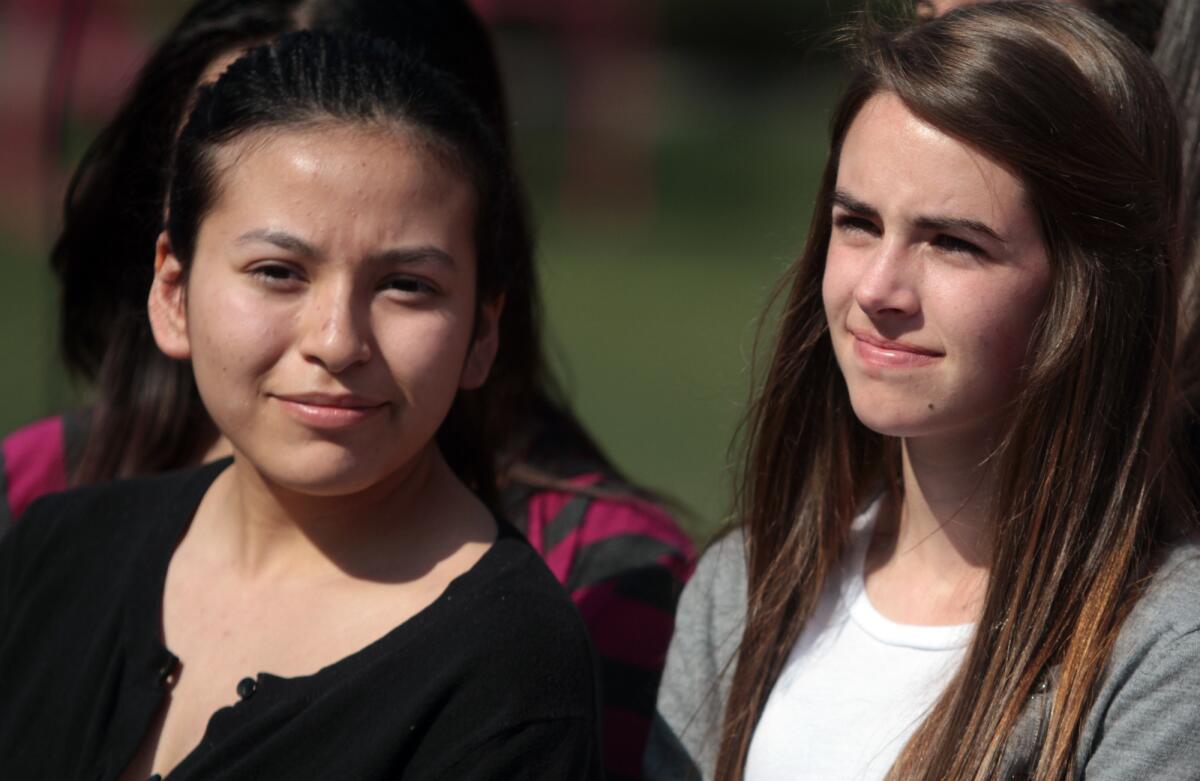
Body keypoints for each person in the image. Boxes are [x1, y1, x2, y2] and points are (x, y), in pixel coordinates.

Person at [0, 2, 693, 776]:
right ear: (172, 291)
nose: (336, 341)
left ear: (483, 331)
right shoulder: (57, 544)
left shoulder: (509, 666)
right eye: (277, 272)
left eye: (405, 285)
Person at [646, 3, 1200, 779]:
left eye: (952, 242)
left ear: (1086, 294)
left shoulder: (1163, 651)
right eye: (858, 223)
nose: (879, 288)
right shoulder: (746, 587)